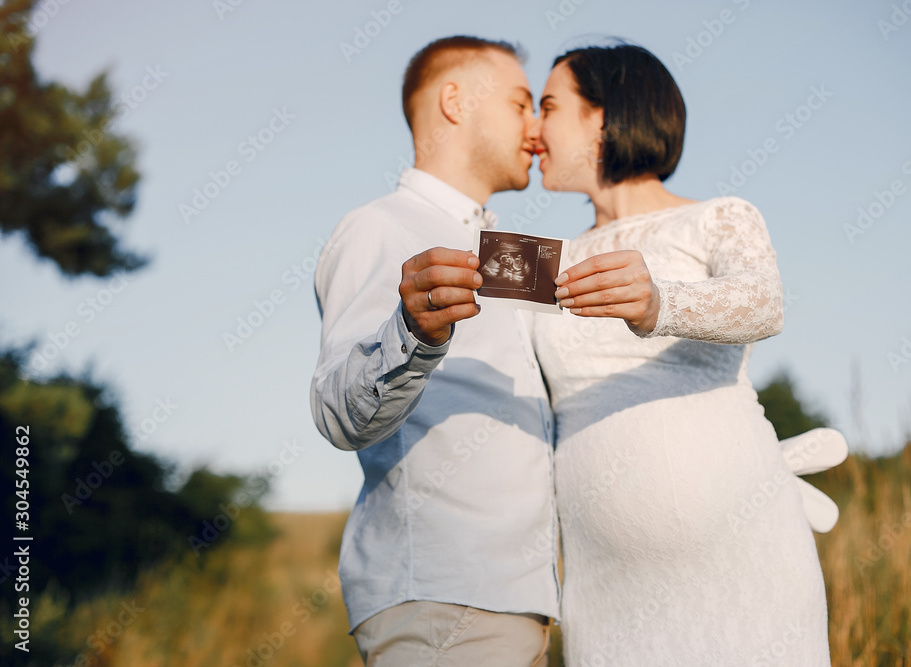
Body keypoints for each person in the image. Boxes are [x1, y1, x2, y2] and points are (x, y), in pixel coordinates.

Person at [530, 43, 834, 665]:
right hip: (604, 584)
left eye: (550, 106)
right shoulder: (543, 260)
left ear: (605, 117)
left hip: (739, 558)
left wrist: (658, 304)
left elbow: (762, 303)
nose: (533, 130)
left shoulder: (718, 217)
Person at [309, 36, 556, 666]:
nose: (536, 127)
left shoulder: (507, 249)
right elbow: (339, 414)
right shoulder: (380, 225)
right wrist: (416, 333)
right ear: (455, 100)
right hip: (442, 598)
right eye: (522, 102)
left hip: (522, 602)